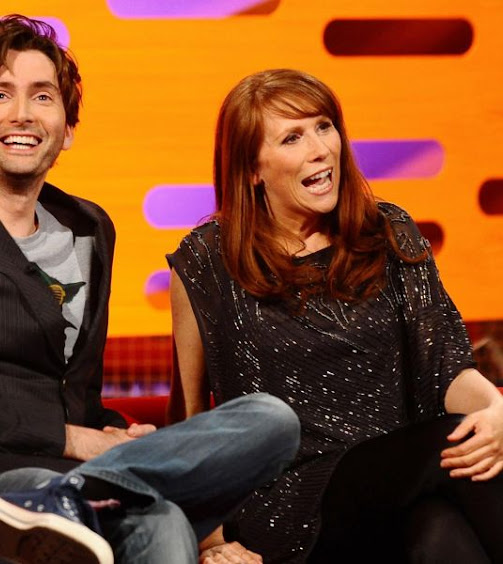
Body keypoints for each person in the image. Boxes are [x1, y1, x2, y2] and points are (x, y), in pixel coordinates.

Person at [0, 17, 301, 564]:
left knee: (271, 421)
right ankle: (66, 497)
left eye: (42, 96)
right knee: (158, 515)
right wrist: (81, 440)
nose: (22, 113)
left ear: (67, 129)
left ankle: (71, 496)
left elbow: (77, 396)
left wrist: (122, 436)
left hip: (69, 479)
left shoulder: (90, 228)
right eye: (0, 94)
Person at [168, 68, 503, 564]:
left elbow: (445, 366)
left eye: (324, 127)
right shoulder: (208, 260)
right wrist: (211, 540)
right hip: (288, 499)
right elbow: (191, 418)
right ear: (252, 168)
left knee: (440, 532)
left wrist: (496, 411)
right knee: (450, 445)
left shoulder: (388, 231)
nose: (321, 149)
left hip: (403, 479)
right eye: (292, 137)